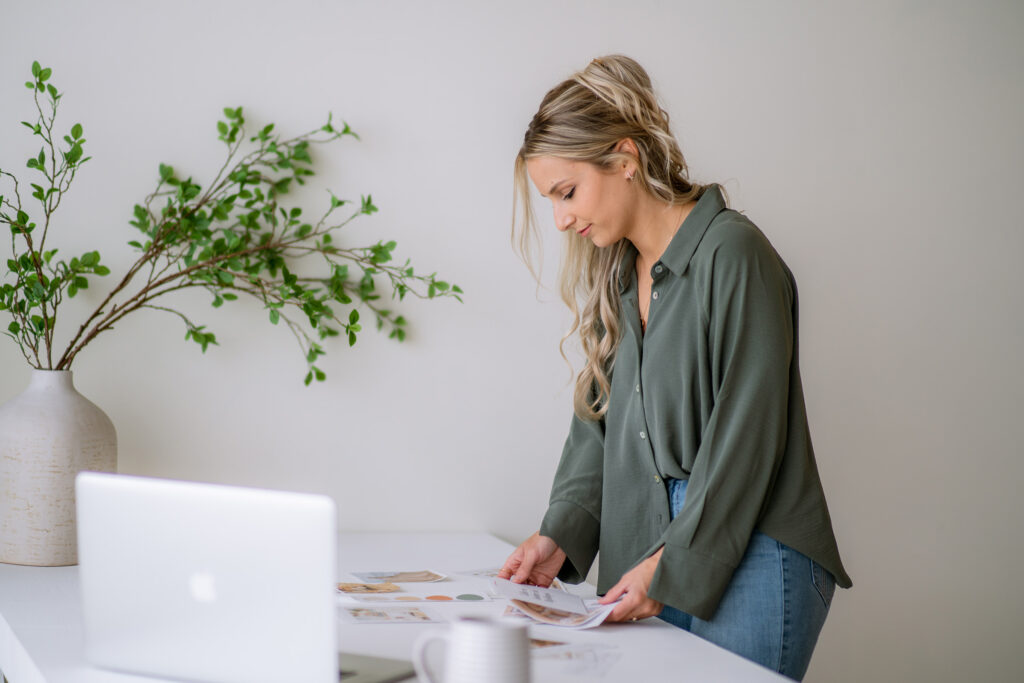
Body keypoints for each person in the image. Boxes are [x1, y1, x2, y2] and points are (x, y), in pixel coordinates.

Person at [498, 55, 852, 681]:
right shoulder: (614, 272)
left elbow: (747, 436)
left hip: (754, 547)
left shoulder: (733, 254)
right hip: (648, 536)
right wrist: (560, 533)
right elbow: (597, 421)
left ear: (624, 158)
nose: (561, 219)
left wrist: (673, 562)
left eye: (567, 192)